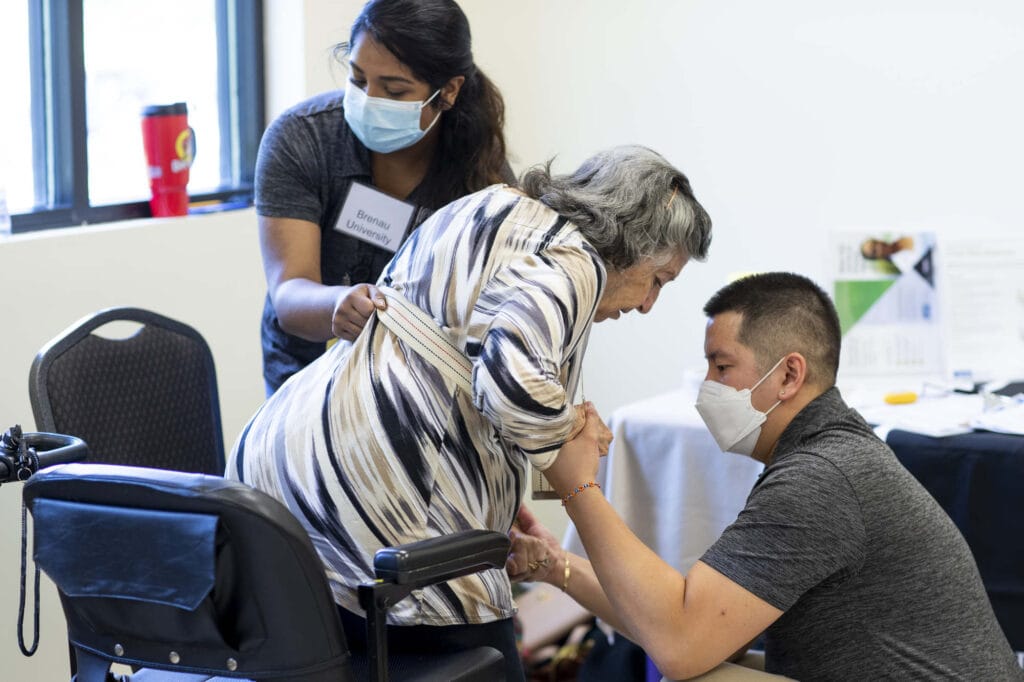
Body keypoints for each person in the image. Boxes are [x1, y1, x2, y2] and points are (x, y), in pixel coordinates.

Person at [227, 145, 712, 680]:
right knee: (488, 650)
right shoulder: (578, 264)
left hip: (283, 470)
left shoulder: (498, 206)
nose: (648, 305)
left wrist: (497, 501)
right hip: (376, 501)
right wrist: (573, 434)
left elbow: (461, 370)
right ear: (632, 242)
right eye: (659, 280)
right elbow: (510, 383)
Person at [509, 272, 1023, 680]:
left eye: (722, 366)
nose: (705, 387)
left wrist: (579, 488)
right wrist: (558, 565)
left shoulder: (822, 480)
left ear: (789, 375)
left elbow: (678, 642)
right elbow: (684, 621)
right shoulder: (826, 458)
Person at [257, 0, 513, 395]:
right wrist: (337, 305)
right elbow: (289, 292)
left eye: (394, 90)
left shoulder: (479, 169)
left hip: (417, 391)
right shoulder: (302, 140)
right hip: (306, 385)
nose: (369, 99)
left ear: (448, 92)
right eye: (358, 80)